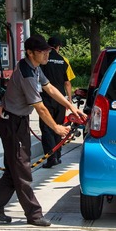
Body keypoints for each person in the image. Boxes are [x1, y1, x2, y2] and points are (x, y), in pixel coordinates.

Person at [0, 34, 86, 227]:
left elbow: (51, 89)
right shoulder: (27, 75)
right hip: (12, 124)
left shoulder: (35, 68)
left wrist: (71, 107)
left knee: (14, 169)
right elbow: (40, 107)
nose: (47, 54)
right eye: (43, 51)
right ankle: (34, 214)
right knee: (22, 170)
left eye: (48, 50)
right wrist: (56, 127)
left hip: (18, 123)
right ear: (31, 53)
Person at [39, 36, 73, 168]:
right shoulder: (63, 60)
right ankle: (58, 156)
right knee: (59, 127)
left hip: (46, 97)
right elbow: (67, 83)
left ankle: (50, 158)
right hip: (60, 99)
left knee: (47, 128)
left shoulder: (43, 59)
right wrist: (69, 100)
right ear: (58, 46)